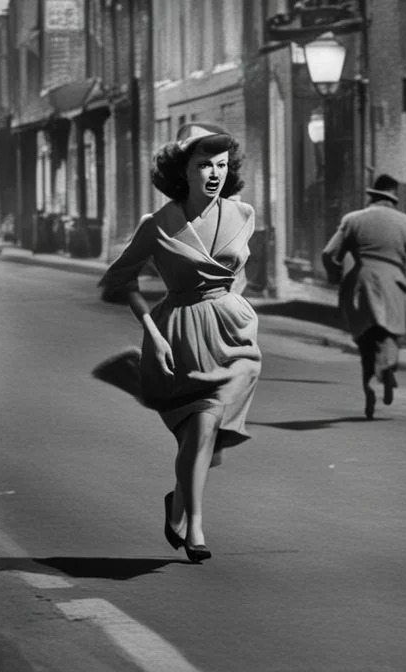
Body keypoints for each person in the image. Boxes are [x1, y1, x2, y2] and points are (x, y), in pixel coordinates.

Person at [92, 122, 262, 564]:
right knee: (202, 430)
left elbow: (237, 270)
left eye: (221, 165)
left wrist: (237, 308)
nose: (214, 173)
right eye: (203, 164)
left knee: (209, 441)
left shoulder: (244, 214)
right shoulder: (159, 224)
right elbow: (119, 280)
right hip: (181, 336)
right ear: (181, 171)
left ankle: (182, 505)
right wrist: (152, 332)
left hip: (236, 339)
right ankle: (194, 526)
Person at [321, 174, 406, 419]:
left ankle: (369, 383)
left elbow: (329, 252)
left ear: (372, 196)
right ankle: (386, 368)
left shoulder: (352, 220)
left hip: (361, 284)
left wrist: (334, 273)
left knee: (365, 340)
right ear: (394, 198)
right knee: (389, 333)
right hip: (393, 284)